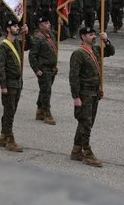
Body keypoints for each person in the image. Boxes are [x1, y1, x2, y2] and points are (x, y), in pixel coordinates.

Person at [69, 26, 115, 167]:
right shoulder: (78, 54)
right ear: (83, 37)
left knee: (86, 122)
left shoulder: (95, 50)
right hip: (85, 93)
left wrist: (106, 40)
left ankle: (76, 150)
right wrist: (76, 97)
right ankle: (87, 153)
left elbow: (110, 52)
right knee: (86, 123)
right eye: (90, 35)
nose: (94, 37)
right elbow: (74, 77)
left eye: (94, 34)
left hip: (94, 93)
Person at [0, 19, 31, 152]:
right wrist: (3, 85)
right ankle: (10, 140)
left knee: (11, 110)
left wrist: (26, 34)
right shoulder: (3, 46)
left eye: (18, 26)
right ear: (8, 29)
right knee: (9, 111)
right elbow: (0, 67)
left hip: (17, 82)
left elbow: (29, 46)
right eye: (14, 26)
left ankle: (4, 136)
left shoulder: (17, 43)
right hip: (9, 83)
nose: (17, 28)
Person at [29, 15, 58, 125]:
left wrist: (61, 24)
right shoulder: (38, 38)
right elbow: (32, 56)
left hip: (52, 68)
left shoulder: (50, 35)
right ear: (40, 26)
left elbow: (62, 37)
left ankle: (40, 111)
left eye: (49, 23)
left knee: (44, 90)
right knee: (46, 91)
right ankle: (47, 113)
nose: (49, 25)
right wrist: (36, 69)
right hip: (44, 69)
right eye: (46, 23)